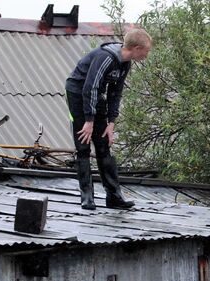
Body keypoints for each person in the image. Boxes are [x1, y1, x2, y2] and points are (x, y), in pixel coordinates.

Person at [65, 28, 151, 210]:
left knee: (103, 143)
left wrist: (111, 122)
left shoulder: (125, 63)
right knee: (83, 144)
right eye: (146, 50)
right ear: (136, 48)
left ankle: (114, 196)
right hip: (78, 93)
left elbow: (115, 93)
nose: (147, 54)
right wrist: (89, 121)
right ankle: (87, 197)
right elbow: (90, 87)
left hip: (96, 96)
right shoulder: (106, 58)